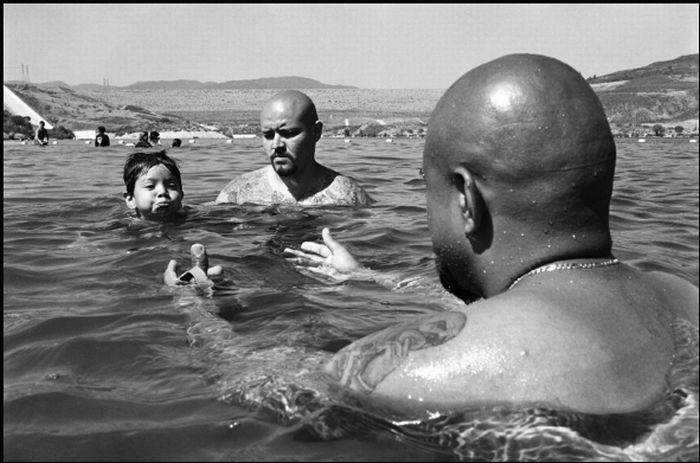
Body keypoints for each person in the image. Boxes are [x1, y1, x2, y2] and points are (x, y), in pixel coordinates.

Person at [285, 54, 698, 418]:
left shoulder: (396, 372)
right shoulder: (686, 299)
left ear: (467, 199)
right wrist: (365, 276)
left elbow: (270, 401)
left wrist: (216, 318)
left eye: (427, 189)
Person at [215, 90, 372, 207]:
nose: (277, 145)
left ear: (316, 132)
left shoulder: (347, 196)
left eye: (288, 133)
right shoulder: (238, 194)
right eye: (268, 135)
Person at [122, 150, 186, 222]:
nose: (163, 192)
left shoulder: (193, 221)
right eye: (150, 186)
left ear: (181, 196)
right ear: (131, 200)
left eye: (171, 186)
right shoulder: (125, 229)